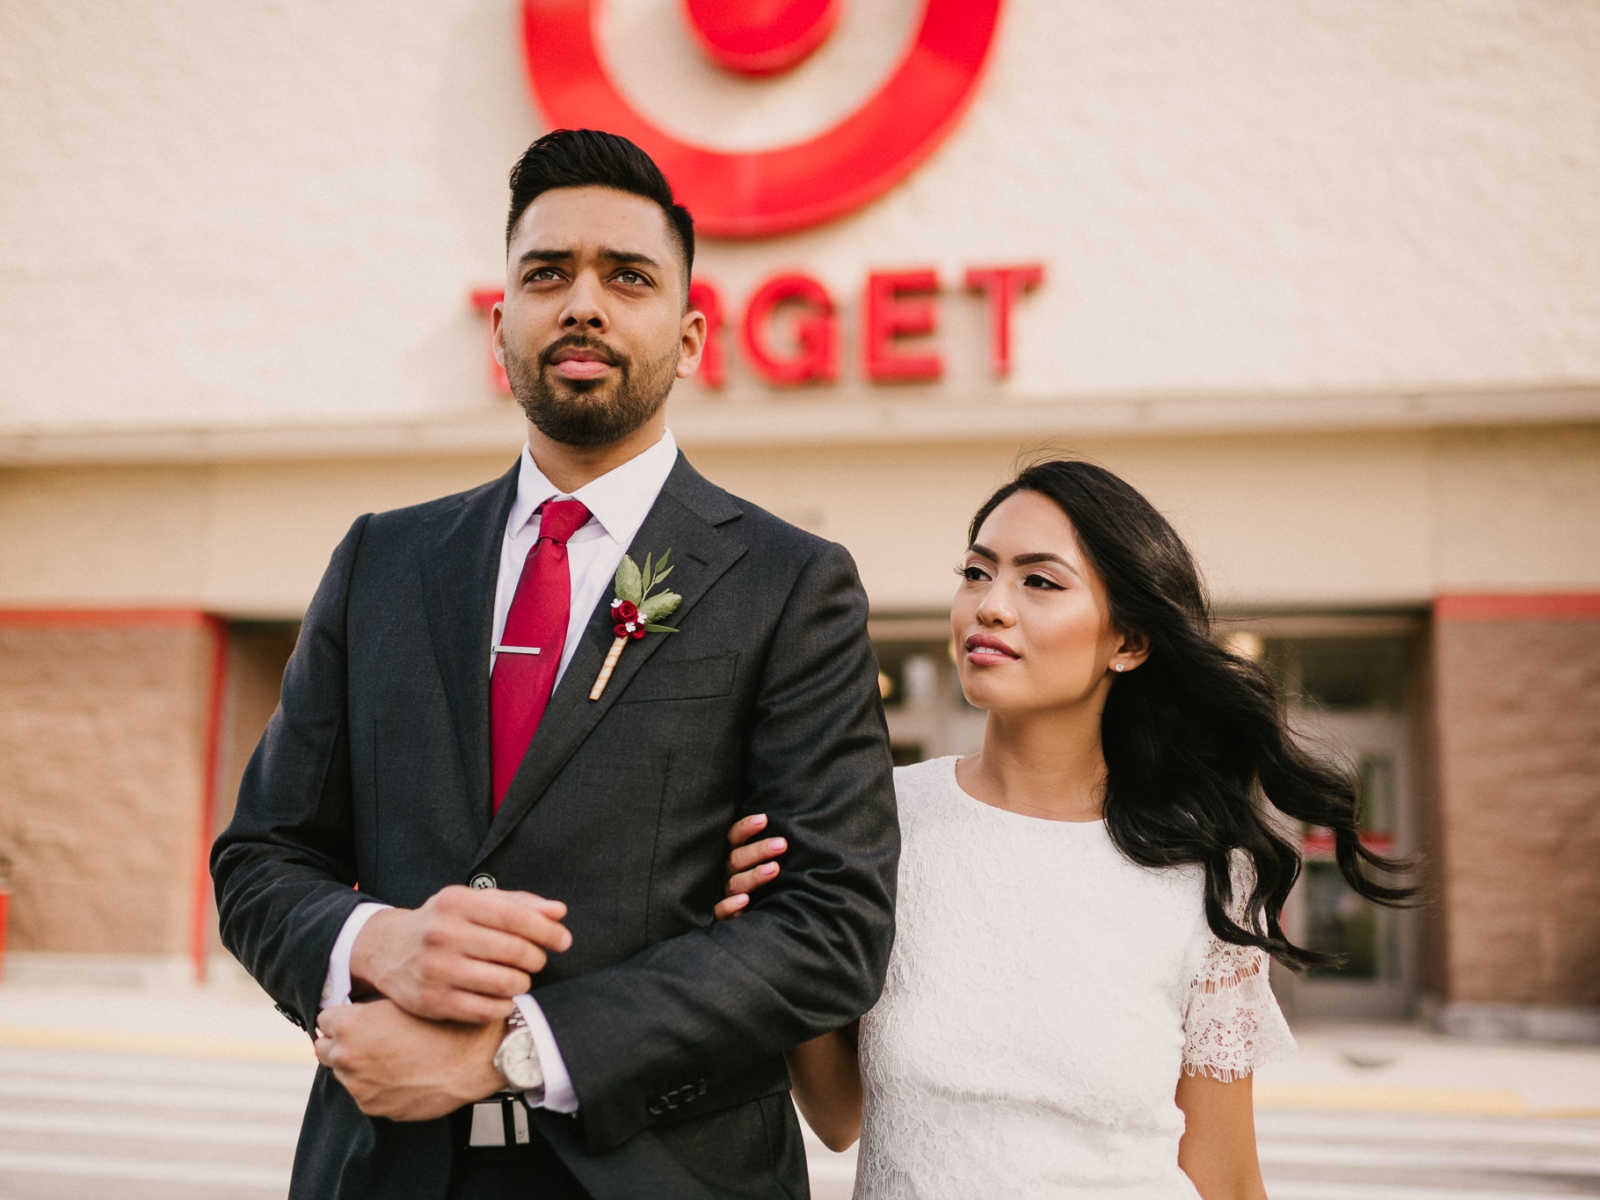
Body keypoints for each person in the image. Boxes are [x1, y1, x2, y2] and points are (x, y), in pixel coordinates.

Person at [211, 129, 899, 1200]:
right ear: (501, 328)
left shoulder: (790, 583)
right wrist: (376, 941)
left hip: (667, 1172)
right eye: (546, 274)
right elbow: (259, 858)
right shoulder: (380, 561)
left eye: (627, 277)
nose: (582, 303)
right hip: (387, 1169)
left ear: (691, 335)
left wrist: (514, 1048)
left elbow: (829, 928)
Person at [719, 459, 1413, 1199]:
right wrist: (772, 931)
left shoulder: (1206, 872)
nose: (989, 606)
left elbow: (1225, 1173)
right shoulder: (878, 821)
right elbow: (837, 1115)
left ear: (1131, 642)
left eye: (1039, 581)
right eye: (977, 573)